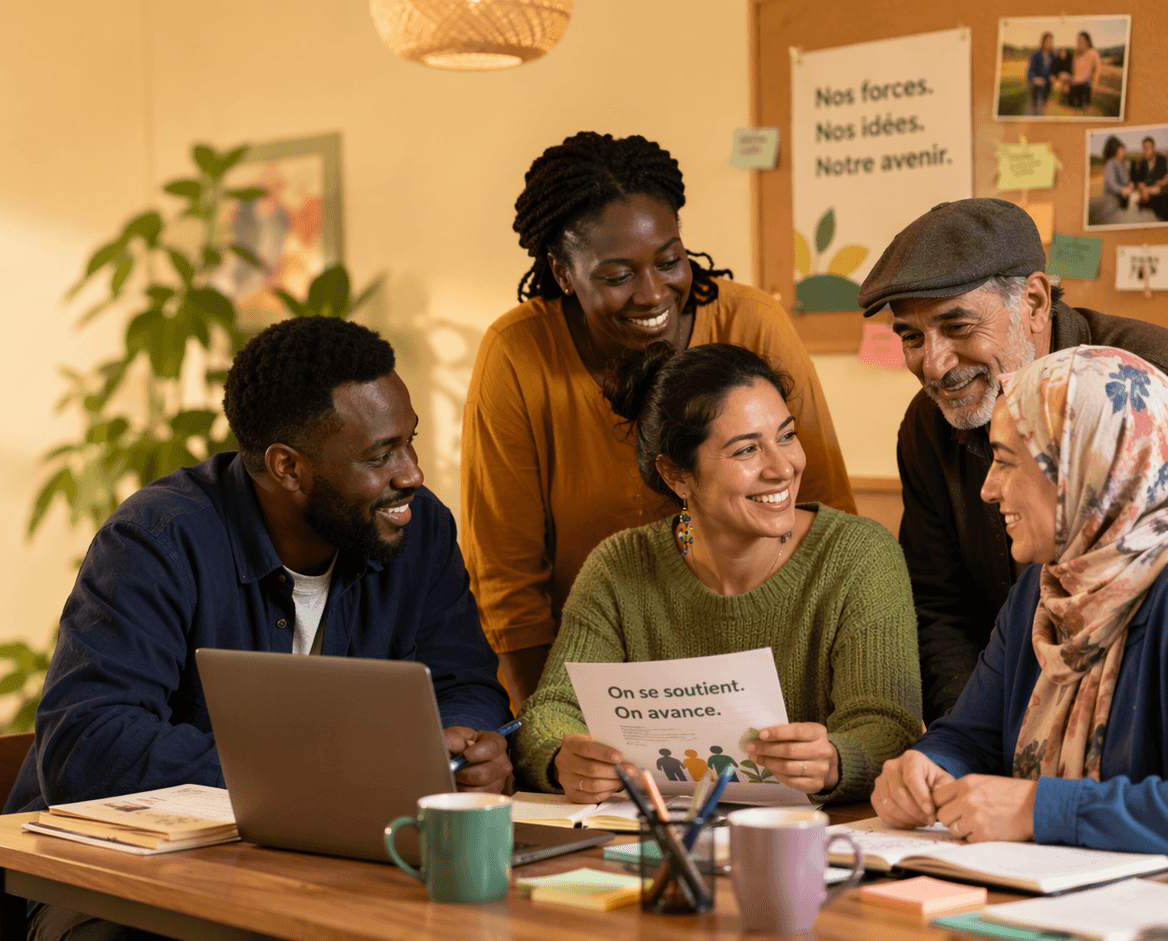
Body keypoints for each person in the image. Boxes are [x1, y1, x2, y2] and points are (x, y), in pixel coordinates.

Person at [0, 317, 513, 940]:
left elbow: (467, 684)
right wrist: (323, 773)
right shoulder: (158, 540)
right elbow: (88, 744)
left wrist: (470, 745)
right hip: (111, 882)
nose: (412, 474)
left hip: (316, 868)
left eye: (410, 441)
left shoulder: (420, 530)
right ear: (288, 468)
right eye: (381, 456)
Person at [461, 132, 854, 711]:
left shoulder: (752, 324)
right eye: (618, 275)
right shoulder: (517, 355)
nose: (654, 294)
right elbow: (506, 578)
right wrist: (554, 729)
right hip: (591, 678)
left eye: (671, 261)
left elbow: (825, 517)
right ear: (563, 273)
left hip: (769, 675)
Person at [514, 343, 919, 804]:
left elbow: (887, 726)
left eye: (786, 436)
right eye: (747, 449)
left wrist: (836, 761)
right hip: (651, 845)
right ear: (677, 475)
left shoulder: (859, 556)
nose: (783, 467)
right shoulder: (619, 569)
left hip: (810, 846)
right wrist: (563, 757)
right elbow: (551, 711)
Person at [860, 198, 1168, 724]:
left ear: (1033, 301)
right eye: (911, 337)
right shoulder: (927, 425)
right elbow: (939, 606)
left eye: (957, 327)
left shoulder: (1150, 381)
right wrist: (970, 748)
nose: (934, 365)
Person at [873, 347, 1168, 853]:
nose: (988, 489)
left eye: (1006, 462)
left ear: (1082, 467)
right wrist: (926, 767)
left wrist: (1036, 808)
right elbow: (970, 737)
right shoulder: (1042, 588)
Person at [1130, 137, 1168, 220]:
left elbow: (1166, 178)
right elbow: (1140, 184)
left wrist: (1159, 184)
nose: (1145, 150)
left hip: (1163, 195)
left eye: (1148, 148)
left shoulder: (1161, 160)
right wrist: (1146, 190)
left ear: (1153, 149)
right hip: (1150, 197)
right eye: (1143, 148)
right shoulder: (1141, 163)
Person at [1066, 31, 1100, 111]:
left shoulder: (1093, 53)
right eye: (1078, 41)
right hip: (1076, 83)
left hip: (1086, 84)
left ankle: (1085, 102)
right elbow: (1074, 71)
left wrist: (1094, 88)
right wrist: (1072, 80)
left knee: (1083, 104)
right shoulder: (1075, 53)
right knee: (1072, 104)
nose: (1078, 43)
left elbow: (1097, 71)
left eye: (1081, 41)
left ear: (1087, 42)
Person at [1101, 136, 1136, 212]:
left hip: (1123, 198)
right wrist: (1122, 190)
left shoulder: (1123, 162)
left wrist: (1131, 184)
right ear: (1116, 150)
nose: (1124, 151)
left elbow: (1127, 178)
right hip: (1113, 200)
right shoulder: (1111, 163)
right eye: (1122, 149)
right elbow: (1112, 184)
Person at [1025, 32, 1055, 116]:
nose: (1049, 44)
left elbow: (1055, 70)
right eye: (1047, 41)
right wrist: (1035, 79)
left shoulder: (1053, 56)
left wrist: (1053, 76)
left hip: (1046, 87)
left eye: (1051, 42)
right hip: (1036, 86)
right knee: (1033, 110)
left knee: (1041, 109)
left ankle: (1041, 108)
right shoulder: (1036, 55)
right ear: (1043, 42)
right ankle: (1033, 108)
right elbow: (1029, 72)